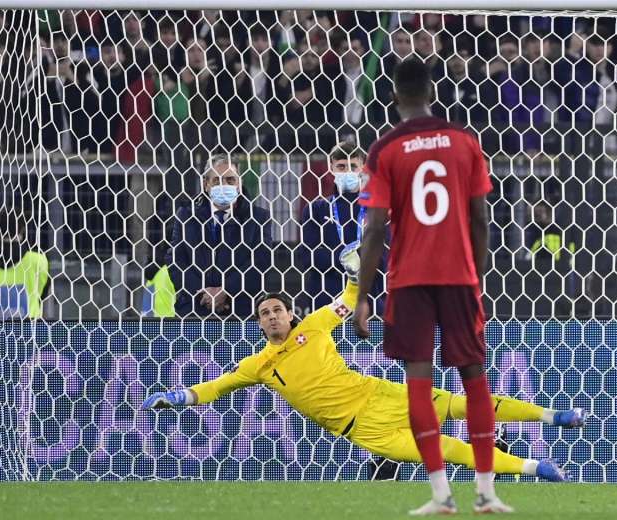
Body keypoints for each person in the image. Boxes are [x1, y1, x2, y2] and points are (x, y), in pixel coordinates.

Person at [142, 279, 578, 484]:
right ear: (258, 324)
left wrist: (357, 269)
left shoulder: (315, 324)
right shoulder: (258, 365)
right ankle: (536, 468)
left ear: (290, 314)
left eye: (277, 310)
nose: (272, 317)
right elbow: (216, 387)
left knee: (465, 404)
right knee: (447, 452)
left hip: (379, 394)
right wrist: (178, 396)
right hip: (365, 431)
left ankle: (552, 416)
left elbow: (349, 299)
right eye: (265, 314)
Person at [352, 57, 506, 514]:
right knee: (474, 377)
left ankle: (440, 494)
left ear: (394, 96)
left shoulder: (385, 149)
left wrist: (363, 297)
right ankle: (486, 492)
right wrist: (476, 278)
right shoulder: (464, 141)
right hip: (459, 277)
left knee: (419, 382)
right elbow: (481, 219)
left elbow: (374, 229)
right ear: (432, 92)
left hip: (410, 281)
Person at [166, 154, 273, 318]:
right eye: (217, 180)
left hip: (240, 311)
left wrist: (227, 290)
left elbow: (261, 261)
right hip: (193, 309)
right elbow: (175, 259)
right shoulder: (186, 215)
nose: (224, 185)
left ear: (239, 183)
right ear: (206, 185)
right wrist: (204, 293)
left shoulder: (258, 217)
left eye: (230, 180)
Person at [298, 139, 368, 313]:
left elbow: (387, 254)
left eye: (353, 166)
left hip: (369, 299)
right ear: (331, 168)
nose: (348, 172)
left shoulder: (377, 210)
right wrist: (345, 259)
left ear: (363, 168)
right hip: (327, 300)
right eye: (341, 167)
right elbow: (307, 256)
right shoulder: (315, 209)